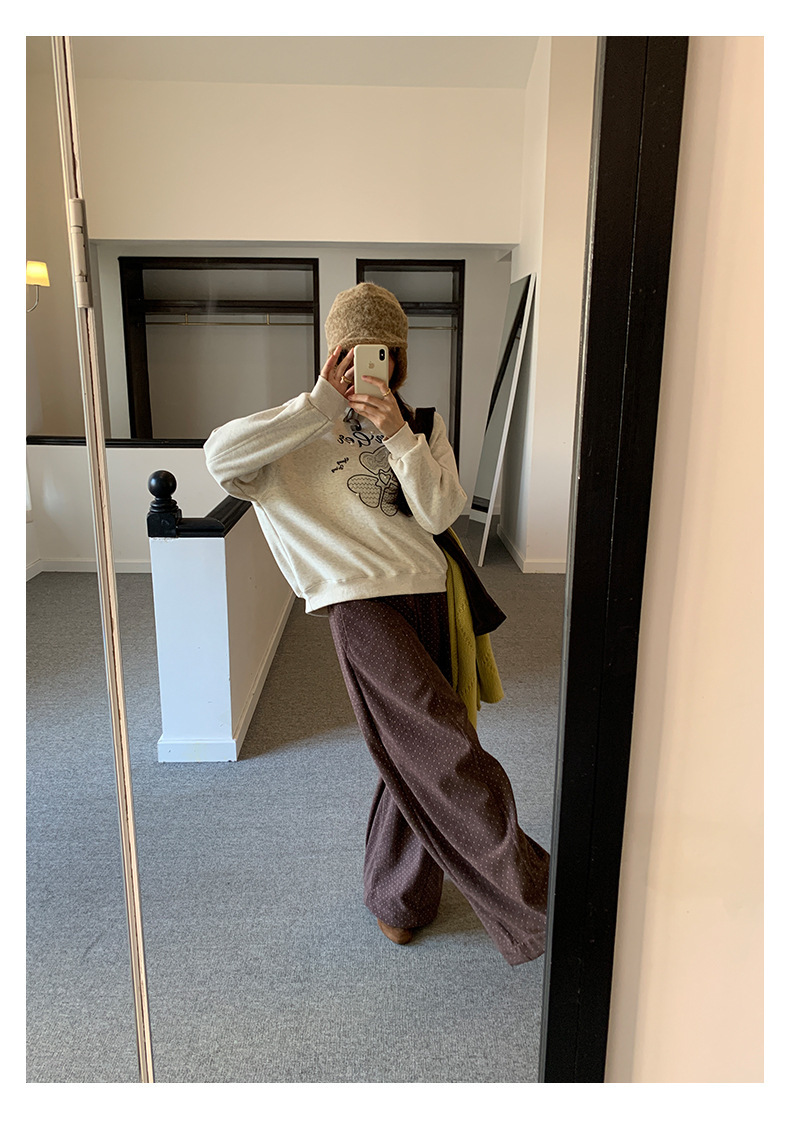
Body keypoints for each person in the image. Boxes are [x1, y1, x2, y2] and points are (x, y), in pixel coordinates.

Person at [204, 282, 550, 965]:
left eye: (385, 352)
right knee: (446, 748)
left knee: (413, 749)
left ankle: (400, 899)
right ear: (333, 353)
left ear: (399, 359)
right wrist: (318, 404)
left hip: (434, 595)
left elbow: (441, 513)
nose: (370, 364)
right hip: (359, 605)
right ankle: (537, 901)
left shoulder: (421, 424)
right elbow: (219, 458)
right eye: (355, 351)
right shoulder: (292, 432)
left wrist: (397, 435)